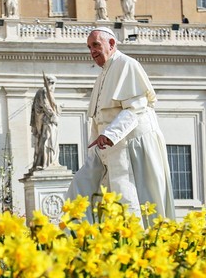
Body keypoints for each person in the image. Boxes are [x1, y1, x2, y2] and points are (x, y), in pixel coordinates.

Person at [66, 27, 175, 223]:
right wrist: (96, 147)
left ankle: (136, 244)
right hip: (106, 148)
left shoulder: (127, 65)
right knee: (80, 186)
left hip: (128, 144)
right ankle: (79, 240)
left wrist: (110, 134)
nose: (92, 51)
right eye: (89, 47)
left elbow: (136, 107)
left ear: (112, 44)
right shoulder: (102, 75)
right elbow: (98, 117)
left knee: (128, 196)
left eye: (96, 45)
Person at [30, 74, 60, 171]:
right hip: (47, 121)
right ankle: (47, 162)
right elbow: (45, 105)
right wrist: (53, 115)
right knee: (48, 140)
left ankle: (50, 161)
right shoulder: (44, 91)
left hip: (49, 122)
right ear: (52, 83)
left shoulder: (48, 93)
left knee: (50, 141)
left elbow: (52, 105)